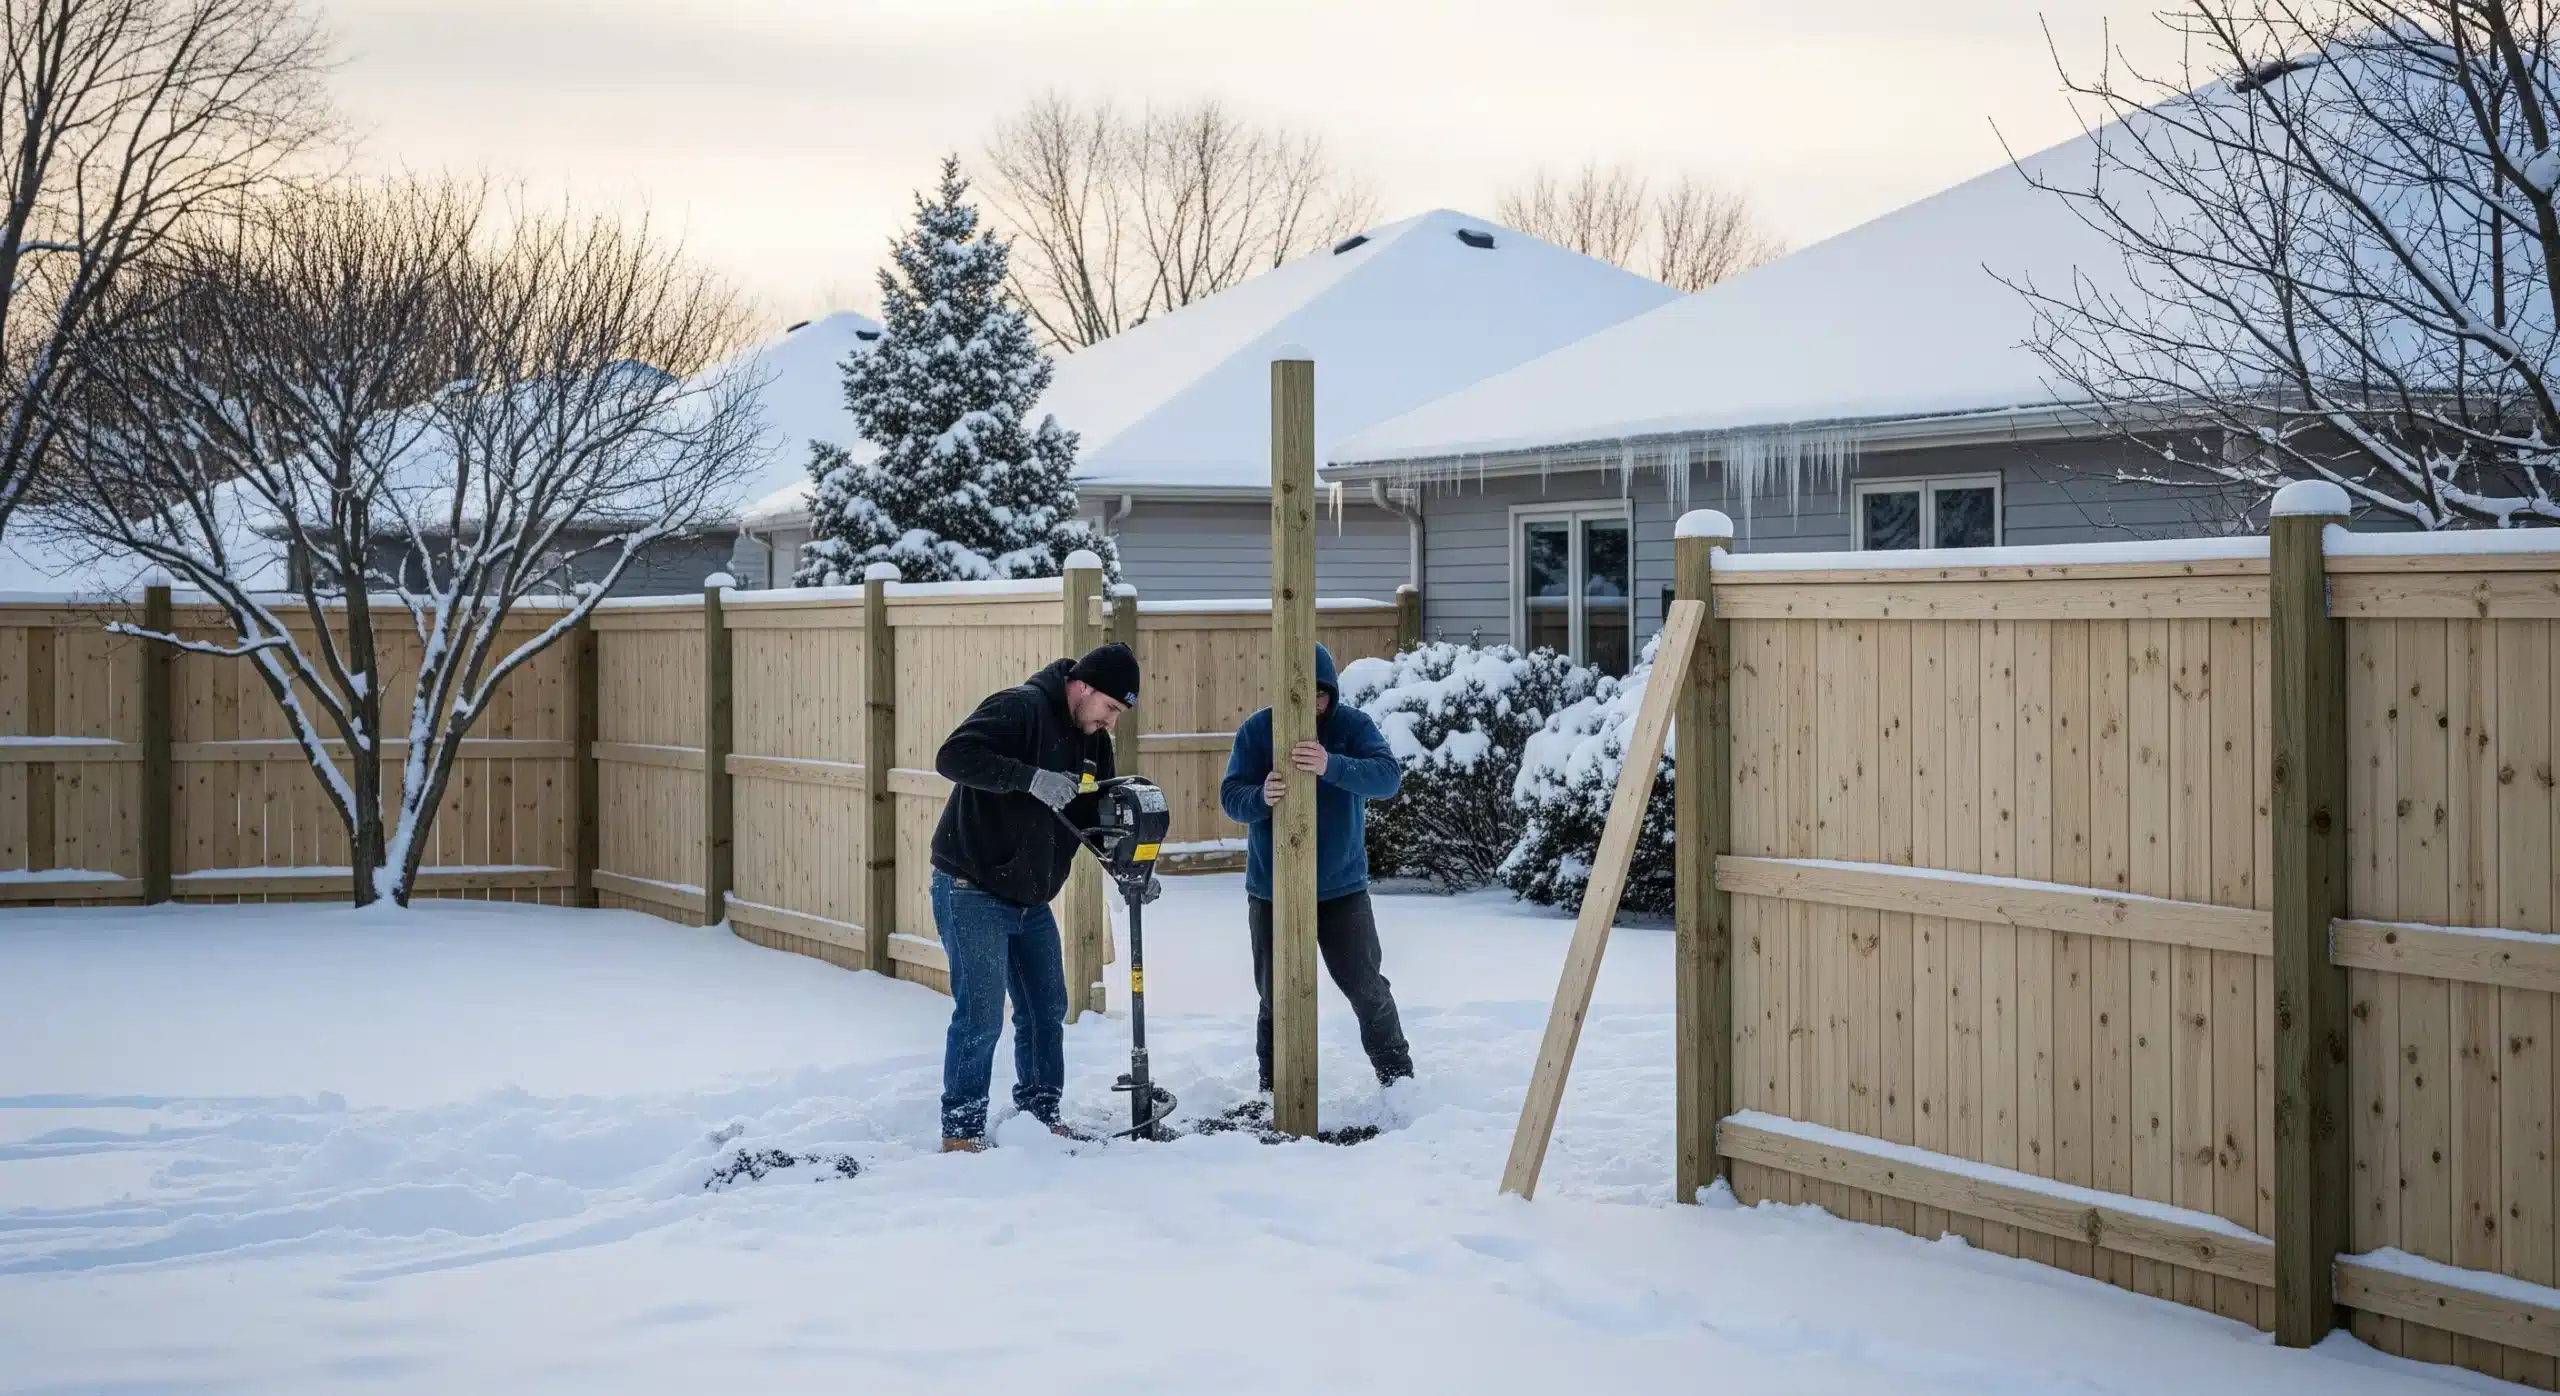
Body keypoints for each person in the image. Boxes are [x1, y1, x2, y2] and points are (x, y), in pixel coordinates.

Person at [929, 640, 1141, 1151]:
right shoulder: (1019, 707)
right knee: (980, 1012)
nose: (1111, 721)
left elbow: (1090, 817)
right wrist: (1028, 779)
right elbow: (952, 757)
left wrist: (1132, 867)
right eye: (1110, 707)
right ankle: (961, 1131)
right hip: (970, 886)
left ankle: (1040, 1115)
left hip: (1030, 898)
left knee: (1046, 1009)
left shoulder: (1093, 740)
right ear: (1083, 686)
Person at [1219, 642, 1414, 1092]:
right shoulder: (1258, 731)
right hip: (1273, 890)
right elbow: (1232, 797)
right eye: (1303, 695)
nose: (1314, 705)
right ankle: (1275, 1090)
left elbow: (1387, 777)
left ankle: (1400, 1084)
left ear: (1331, 693)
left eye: (1321, 696)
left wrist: (1333, 765)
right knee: (1274, 997)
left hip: (1340, 889)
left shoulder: (1352, 727)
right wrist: (1260, 798)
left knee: (1368, 989)